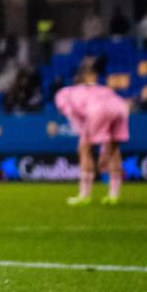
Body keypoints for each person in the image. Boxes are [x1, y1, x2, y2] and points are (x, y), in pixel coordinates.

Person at [52, 59, 129, 205]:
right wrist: (106, 152)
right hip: (120, 107)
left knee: (84, 148)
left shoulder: (65, 93)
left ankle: (84, 195)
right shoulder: (102, 88)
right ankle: (114, 195)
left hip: (97, 110)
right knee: (113, 149)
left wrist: (85, 138)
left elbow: (71, 112)